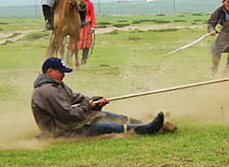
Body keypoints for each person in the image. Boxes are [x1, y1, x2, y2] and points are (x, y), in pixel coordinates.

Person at [30, 57, 168, 138]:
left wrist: (95, 101)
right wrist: (88, 106)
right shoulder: (47, 91)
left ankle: (144, 123)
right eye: (62, 72)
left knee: (104, 114)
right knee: (103, 125)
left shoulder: (56, 85)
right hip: (61, 131)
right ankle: (144, 130)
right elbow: (68, 115)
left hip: (68, 123)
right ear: (50, 71)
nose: (64, 75)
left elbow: (75, 98)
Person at [76, 0, 97, 65]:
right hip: (76, 25)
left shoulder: (89, 3)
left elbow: (92, 14)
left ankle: (83, 60)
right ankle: (68, 59)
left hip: (87, 25)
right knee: (74, 42)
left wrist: (93, 26)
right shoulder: (74, 3)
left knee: (87, 43)